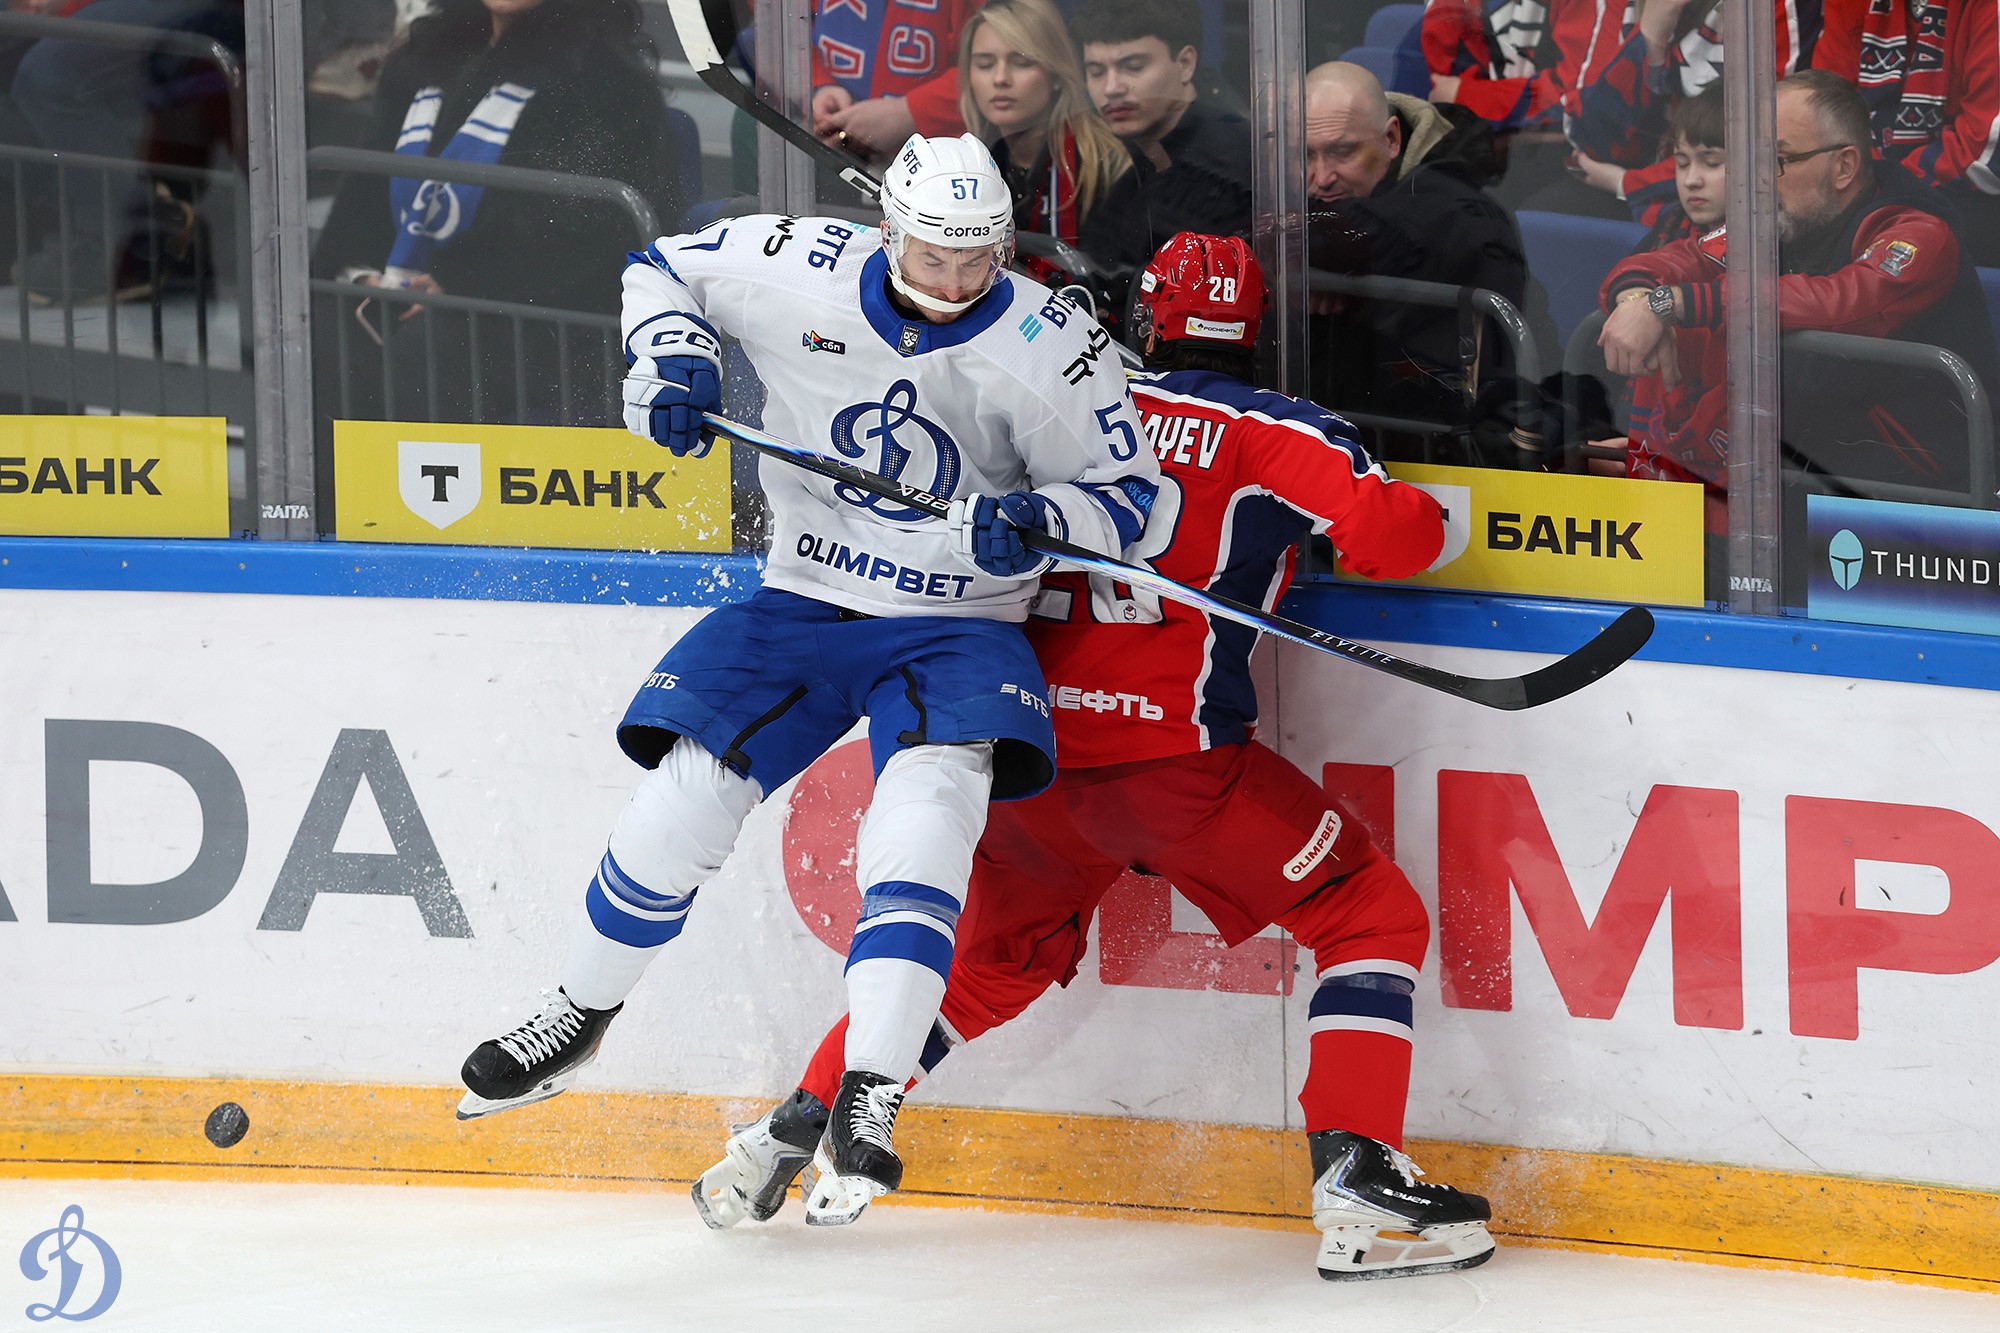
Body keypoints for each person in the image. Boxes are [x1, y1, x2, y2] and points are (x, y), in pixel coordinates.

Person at [686, 232, 1497, 1281]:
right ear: (1256, 332)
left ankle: (796, 1121)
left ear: (1137, 318)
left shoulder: (1045, 397)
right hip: (1174, 774)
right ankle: (1356, 1169)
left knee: (992, 965)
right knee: (1365, 912)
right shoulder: (1266, 428)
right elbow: (1401, 539)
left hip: (1022, 764)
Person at [456, 133, 1161, 1227]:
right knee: (680, 802)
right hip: (804, 596)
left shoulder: (1050, 346)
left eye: (977, 259)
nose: (954, 281)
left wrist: (1045, 519)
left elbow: (1133, 498)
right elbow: (662, 266)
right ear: (889, 232)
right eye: (932, 256)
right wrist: (671, 362)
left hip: (955, 623)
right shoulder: (796, 263)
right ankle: (577, 1012)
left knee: (924, 829)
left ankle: (870, 1090)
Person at [1597, 69, 2000, 495]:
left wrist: (1676, 303)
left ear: (1844, 166)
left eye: (1778, 161)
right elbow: (1687, 258)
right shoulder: (1782, 217)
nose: (1758, 179)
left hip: (1916, 486)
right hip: (1805, 461)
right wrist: (1639, 299)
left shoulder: (1919, 230)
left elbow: (1846, 302)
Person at [309, 0, 684, 425]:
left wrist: (458, 282)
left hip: (545, 322)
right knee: (320, 330)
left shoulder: (608, 82)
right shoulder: (421, 63)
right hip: (420, 297)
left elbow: (586, 233)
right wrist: (362, 275)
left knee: (429, 344)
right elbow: (366, 197)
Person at [1299, 60, 1539, 466]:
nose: (1321, 177)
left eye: (1342, 152)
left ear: (1392, 139)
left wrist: (1301, 259)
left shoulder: (1454, 206)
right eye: (1304, 154)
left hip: (1437, 461)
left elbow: (1357, 234)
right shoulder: (1322, 199)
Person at [1587, 85, 1729, 528]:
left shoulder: (1777, 243)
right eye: (1683, 162)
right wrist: (1635, 300)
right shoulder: (1667, 228)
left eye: (1712, 162)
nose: (1691, 180)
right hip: (1651, 446)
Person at [1568, 0, 1819, 227]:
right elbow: (1590, 138)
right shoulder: (1626, 5)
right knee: (1569, 214)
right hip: (1649, 191)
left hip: (1740, 208)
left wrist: (1626, 183)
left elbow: (1763, 146)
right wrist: (1650, 38)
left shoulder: (1773, 8)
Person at [1070, 0, 1253, 299]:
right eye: (1096, 71)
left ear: (1185, 64)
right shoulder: (1135, 157)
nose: (1111, 87)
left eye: (1133, 67)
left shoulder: (1226, 163)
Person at [1812, 0, 2000, 265]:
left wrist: (1876, 185)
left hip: (1967, 201)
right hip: (1865, 188)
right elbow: (1823, 115)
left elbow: (1984, 151)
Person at [1419, 0, 1629, 214]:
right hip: (1502, 151)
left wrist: (1471, 97)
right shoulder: (1451, 7)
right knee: (1426, 199)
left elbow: (1583, 102)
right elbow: (1447, 98)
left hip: (1591, 166)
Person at [957, 0, 1129, 251]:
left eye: (1022, 63)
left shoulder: (1108, 166)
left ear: (1056, 74)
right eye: (985, 64)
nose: (1000, 78)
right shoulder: (963, 166)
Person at [807, 0, 981, 157]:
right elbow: (797, 26)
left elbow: (994, 60)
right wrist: (822, 83)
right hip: (830, 146)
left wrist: (908, 112)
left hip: (939, 154)